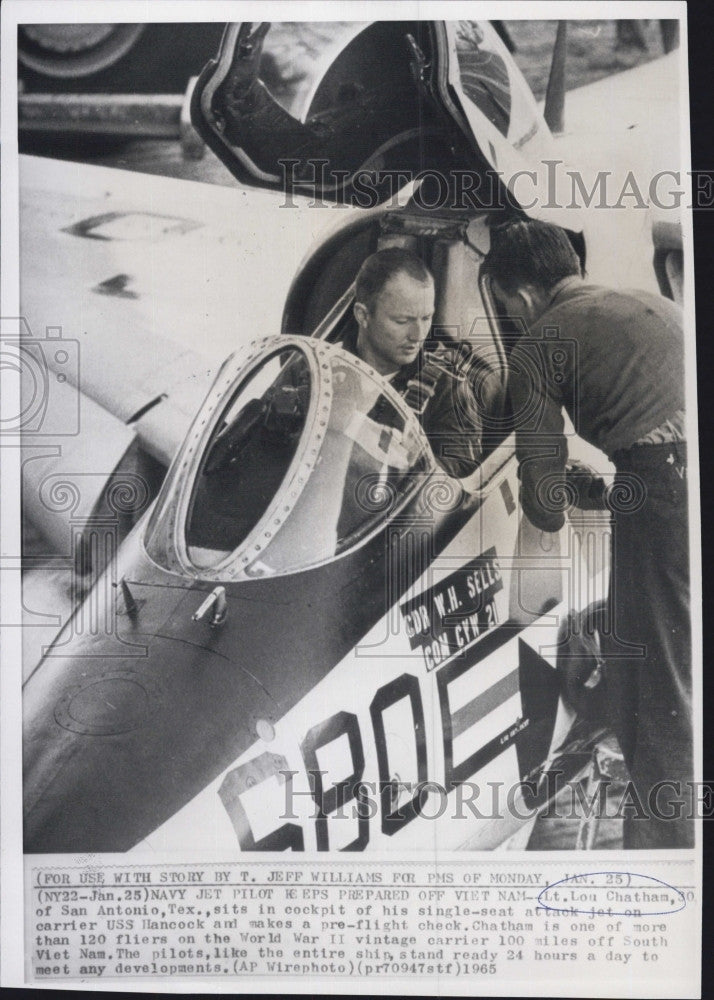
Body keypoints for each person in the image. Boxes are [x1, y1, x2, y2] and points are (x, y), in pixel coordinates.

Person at [481, 219, 691, 848]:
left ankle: (666, 854)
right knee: (654, 657)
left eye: (505, 310)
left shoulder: (537, 344)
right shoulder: (641, 300)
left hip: (665, 487)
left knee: (661, 681)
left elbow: (542, 500)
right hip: (674, 476)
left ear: (518, 299)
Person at [340, 248, 483, 479]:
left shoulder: (448, 387)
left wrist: (412, 463)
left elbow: (462, 476)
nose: (418, 335)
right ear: (363, 315)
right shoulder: (318, 370)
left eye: (426, 318)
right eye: (402, 321)